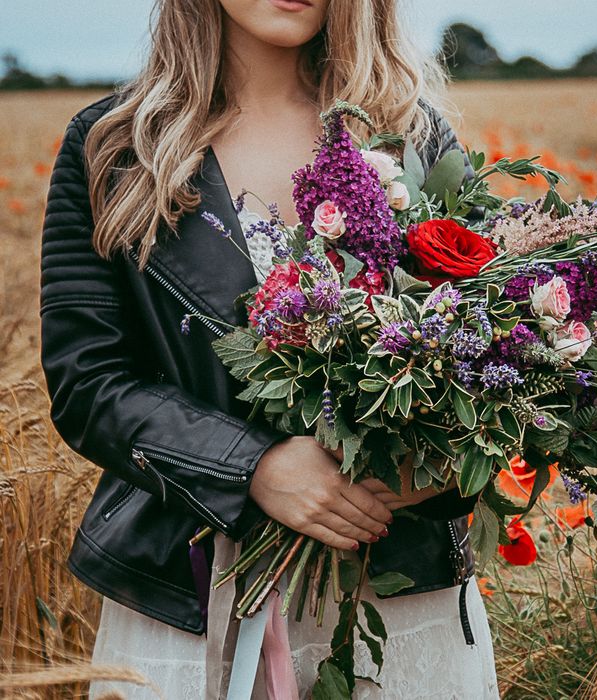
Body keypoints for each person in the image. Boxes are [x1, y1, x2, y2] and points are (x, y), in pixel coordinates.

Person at [39, 0, 499, 697]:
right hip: (193, 590)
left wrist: (434, 462)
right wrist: (253, 467)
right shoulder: (115, 146)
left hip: (397, 591)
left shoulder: (414, 136)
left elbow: (492, 351)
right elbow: (88, 382)